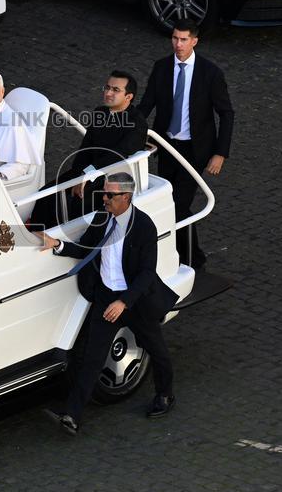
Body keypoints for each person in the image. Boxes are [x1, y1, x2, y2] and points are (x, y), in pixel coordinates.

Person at [36, 172, 178, 434]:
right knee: (92, 358)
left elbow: (147, 272)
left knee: (156, 349)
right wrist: (57, 245)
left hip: (134, 302)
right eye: (104, 193)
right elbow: (86, 250)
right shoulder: (102, 220)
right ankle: (72, 416)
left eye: (110, 195)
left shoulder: (144, 226)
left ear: (126, 197)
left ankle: (165, 395)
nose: (104, 199)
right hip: (105, 299)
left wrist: (124, 302)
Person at [137, 18, 233, 270]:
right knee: (171, 203)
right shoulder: (161, 68)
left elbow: (226, 113)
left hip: (195, 150)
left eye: (183, 39)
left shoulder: (210, 73)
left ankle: (190, 257)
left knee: (178, 204)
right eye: (174, 38)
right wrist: (130, 130)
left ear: (194, 41)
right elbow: (147, 104)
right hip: (167, 146)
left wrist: (220, 153)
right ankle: (189, 254)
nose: (177, 44)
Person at [28, 70, 148, 229]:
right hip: (88, 171)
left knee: (74, 202)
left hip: (111, 178)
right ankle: (36, 231)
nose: (108, 93)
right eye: (107, 87)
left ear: (129, 97)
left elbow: (118, 155)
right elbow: (86, 148)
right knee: (46, 193)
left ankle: (55, 238)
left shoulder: (137, 123)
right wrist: (78, 173)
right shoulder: (101, 112)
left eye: (115, 90)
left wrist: (87, 175)